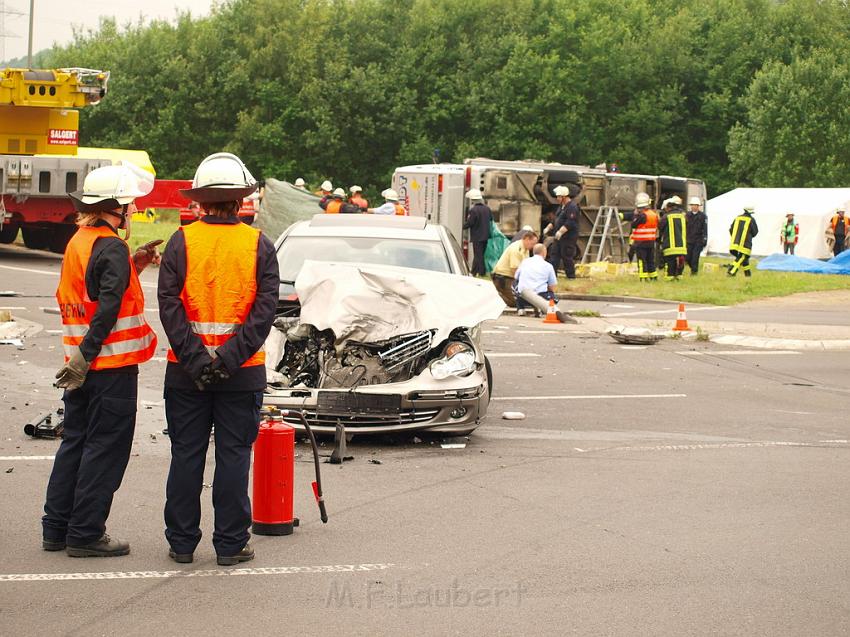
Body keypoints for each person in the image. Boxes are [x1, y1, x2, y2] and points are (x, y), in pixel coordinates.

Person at [158, 152, 278, 566]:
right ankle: (230, 544)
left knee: (186, 455)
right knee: (233, 457)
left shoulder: (181, 241)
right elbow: (264, 312)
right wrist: (226, 360)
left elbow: (169, 306)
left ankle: (181, 543)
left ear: (202, 201)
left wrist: (197, 360)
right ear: (240, 199)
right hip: (241, 373)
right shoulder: (258, 243)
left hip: (185, 373)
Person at [43, 163, 159, 558]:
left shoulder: (81, 240)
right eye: (129, 205)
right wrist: (88, 357)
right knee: (105, 449)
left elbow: (94, 291)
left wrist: (136, 263)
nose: (132, 211)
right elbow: (108, 308)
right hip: (108, 366)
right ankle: (86, 533)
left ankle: (56, 528)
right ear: (118, 207)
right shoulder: (110, 246)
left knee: (75, 442)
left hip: (79, 364)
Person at [514, 243, 576, 323]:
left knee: (516, 285)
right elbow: (552, 286)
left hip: (523, 297)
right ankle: (541, 308)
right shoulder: (548, 266)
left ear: (533, 252)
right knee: (553, 297)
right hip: (541, 296)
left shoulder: (524, 262)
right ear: (544, 253)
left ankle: (521, 308)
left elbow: (516, 277)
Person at [491, 230, 537, 307]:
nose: (533, 246)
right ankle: (495, 297)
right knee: (515, 302)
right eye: (532, 243)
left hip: (511, 277)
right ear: (526, 239)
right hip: (503, 278)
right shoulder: (516, 249)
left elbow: (525, 267)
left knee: (524, 301)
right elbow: (515, 270)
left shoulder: (526, 249)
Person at [622, 192, 658, 281]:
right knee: (650, 259)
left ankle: (643, 277)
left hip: (641, 242)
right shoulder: (653, 214)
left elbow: (634, 224)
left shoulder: (642, 215)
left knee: (642, 260)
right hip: (651, 241)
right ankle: (653, 276)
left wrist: (635, 216)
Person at [546, 186, 580, 279]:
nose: (557, 199)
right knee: (554, 255)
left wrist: (561, 231)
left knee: (566, 256)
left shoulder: (572, 207)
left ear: (564, 197)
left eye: (558, 197)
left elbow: (570, 222)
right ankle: (552, 276)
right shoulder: (561, 207)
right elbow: (556, 219)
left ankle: (571, 276)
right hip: (559, 237)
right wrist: (549, 227)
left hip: (568, 237)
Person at [463, 188, 492, 276]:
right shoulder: (487, 209)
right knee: (479, 254)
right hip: (486, 236)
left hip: (477, 236)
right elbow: (491, 219)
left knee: (478, 255)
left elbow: (470, 222)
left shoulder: (473, 210)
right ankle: (474, 272)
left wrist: (462, 226)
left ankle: (482, 272)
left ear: (473, 200)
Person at [657, 196, 687, 281]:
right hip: (682, 244)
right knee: (680, 261)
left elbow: (660, 227)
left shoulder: (666, 217)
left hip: (670, 245)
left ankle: (670, 277)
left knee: (670, 262)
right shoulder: (683, 216)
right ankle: (679, 276)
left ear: (668, 207)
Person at [728, 204, 759, 277]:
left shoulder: (737, 218)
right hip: (745, 245)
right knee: (742, 257)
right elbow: (755, 232)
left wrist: (735, 238)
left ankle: (747, 274)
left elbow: (731, 229)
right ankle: (731, 271)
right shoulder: (751, 220)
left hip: (734, 244)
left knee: (744, 259)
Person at [685, 196, 707, 274]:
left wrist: (704, 239)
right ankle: (693, 268)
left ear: (698, 206)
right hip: (688, 239)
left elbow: (705, 228)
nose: (694, 206)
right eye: (692, 205)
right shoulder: (687, 215)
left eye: (695, 205)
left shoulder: (703, 216)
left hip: (698, 240)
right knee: (687, 257)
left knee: (695, 257)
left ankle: (694, 272)